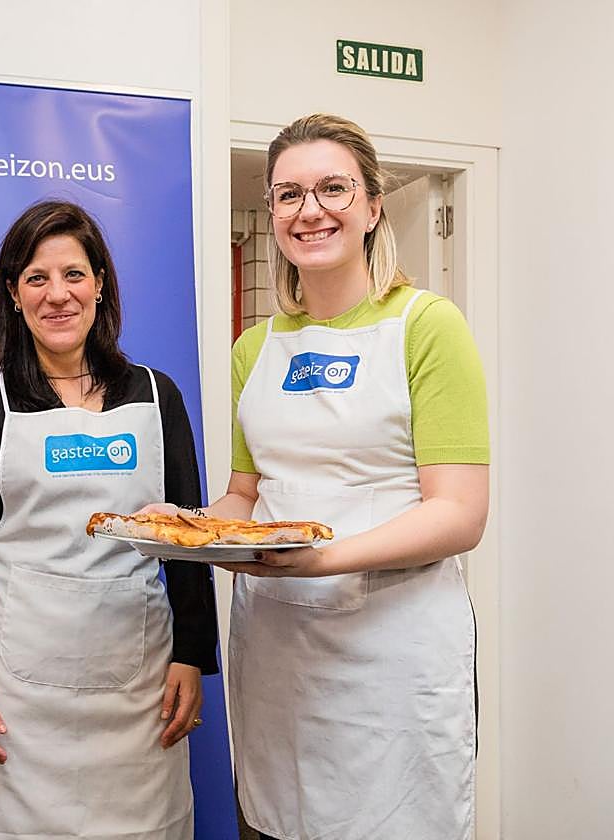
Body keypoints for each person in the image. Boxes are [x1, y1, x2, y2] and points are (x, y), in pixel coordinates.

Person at [148, 114, 489, 840]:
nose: (311, 210)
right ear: (272, 214)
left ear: (371, 206)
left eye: (333, 188)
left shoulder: (427, 326)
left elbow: (459, 513)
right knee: (278, 819)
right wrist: (186, 528)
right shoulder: (255, 348)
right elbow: (245, 495)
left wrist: (318, 560)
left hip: (393, 656)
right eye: (289, 194)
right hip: (277, 652)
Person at [0, 200, 219, 839]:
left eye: (74, 275)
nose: (56, 295)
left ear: (100, 286)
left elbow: (190, 537)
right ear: (12, 293)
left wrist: (193, 657)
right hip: (16, 698)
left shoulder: (155, 395)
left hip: (140, 692)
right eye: (36, 278)